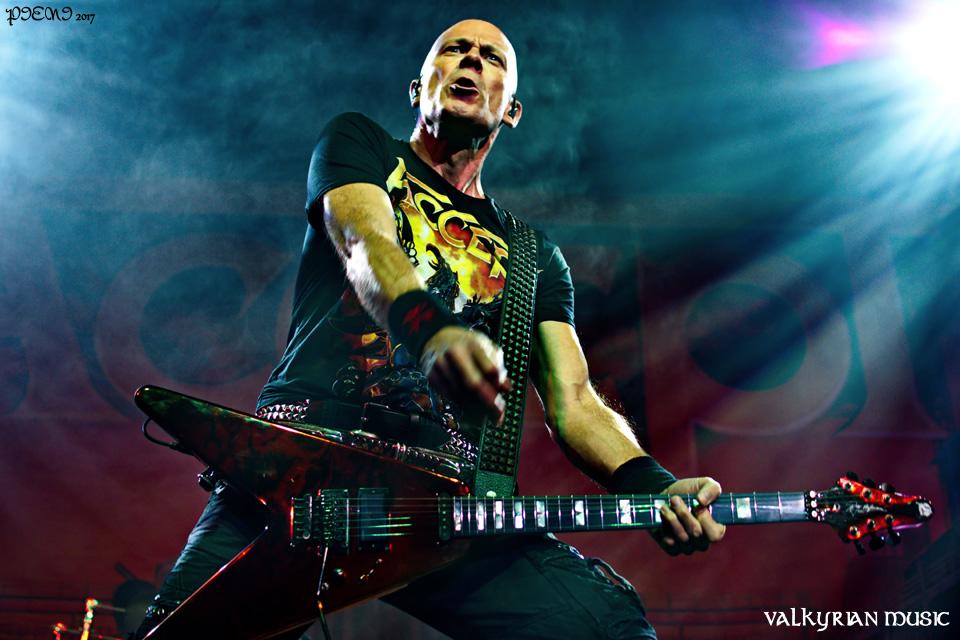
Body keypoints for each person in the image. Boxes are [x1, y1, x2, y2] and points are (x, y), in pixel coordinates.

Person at [134, 18, 725, 640]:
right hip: (304, 469)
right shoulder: (360, 144)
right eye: (454, 50)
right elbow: (364, 241)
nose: (471, 60)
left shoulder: (534, 257)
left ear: (512, 110)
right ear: (419, 89)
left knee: (606, 626)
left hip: (448, 505)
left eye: (491, 57)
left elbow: (574, 401)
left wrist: (651, 486)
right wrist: (430, 330)